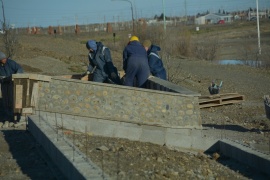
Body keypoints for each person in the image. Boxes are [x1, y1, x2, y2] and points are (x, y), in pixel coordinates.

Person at [0, 51, 23, 123]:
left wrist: (16, 76)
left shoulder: (10, 63)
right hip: (4, 85)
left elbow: (19, 69)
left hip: (13, 84)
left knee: (14, 100)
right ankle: (8, 117)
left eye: (5, 58)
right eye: (3, 59)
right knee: (6, 101)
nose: (4, 60)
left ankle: (16, 118)